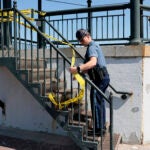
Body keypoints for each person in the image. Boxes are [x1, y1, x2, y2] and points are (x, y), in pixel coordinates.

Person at [69, 29, 110, 135]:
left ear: (87, 36)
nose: (81, 43)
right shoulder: (93, 46)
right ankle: (101, 128)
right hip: (101, 78)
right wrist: (79, 75)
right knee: (99, 102)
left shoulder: (92, 47)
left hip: (99, 79)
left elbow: (93, 62)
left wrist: (77, 69)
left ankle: (98, 129)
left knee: (96, 102)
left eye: (82, 40)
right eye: (80, 41)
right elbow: (89, 67)